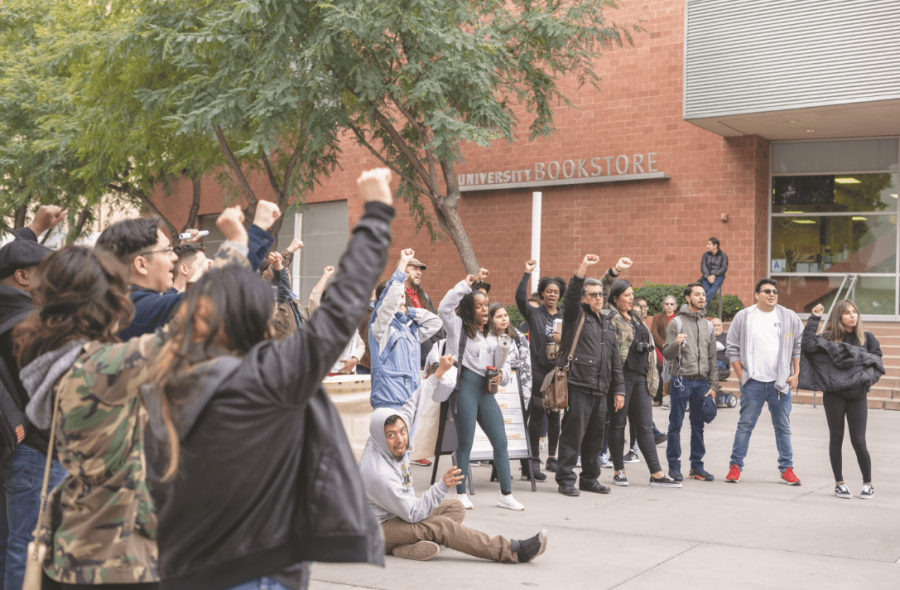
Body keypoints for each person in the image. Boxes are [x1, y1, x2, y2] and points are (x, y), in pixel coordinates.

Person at [142, 168, 398, 590]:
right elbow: (341, 308)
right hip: (254, 567)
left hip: (179, 563)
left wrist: (246, 238)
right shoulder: (270, 376)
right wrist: (375, 213)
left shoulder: (164, 368)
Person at [12, 204, 258, 590]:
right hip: (114, 558)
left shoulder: (55, 362)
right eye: (116, 292)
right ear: (99, 303)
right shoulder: (101, 367)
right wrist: (239, 243)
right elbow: (202, 320)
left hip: (73, 550)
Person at [359, 353, 548, 563]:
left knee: (455, 508)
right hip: (375, 532)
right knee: (443, 527)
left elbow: (416, 401)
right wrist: (441, 485)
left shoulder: (392, 430)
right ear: (379, 437)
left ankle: (403, 548)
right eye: (391, 436)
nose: (400, 439)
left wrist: (439, 372)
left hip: (398, 513)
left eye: (403, 431)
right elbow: (412, 513)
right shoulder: (378, 474)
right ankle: (511, 551)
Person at [0, 204, 67, 590]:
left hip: (19, 450)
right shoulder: (29, 324)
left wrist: (34, 229)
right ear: (23, 277)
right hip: (39, 453)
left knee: (16, 546)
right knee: (30, 553)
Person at [96, 206, 276, 340]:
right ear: (141, 264)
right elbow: (218, 295)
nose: (174, 257)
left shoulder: (111, 305)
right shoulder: (133, 310)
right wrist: (250, 234)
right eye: (166, 250)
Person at [439, 268, 522, 510]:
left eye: (486, 305)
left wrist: (501, 376)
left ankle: (506, 495)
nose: (485, 309)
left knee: (501, 442)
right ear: (468, 309)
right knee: (465, 443)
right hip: (466, 388)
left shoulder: (496, 335)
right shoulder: (457, 329)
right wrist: (465, 284)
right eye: (479, 306)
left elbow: (507, 367)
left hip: (486, 394)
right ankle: (461, 493)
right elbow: (444, 308)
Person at [600, 259, 679, 488]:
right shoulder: (610, 315)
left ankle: (656, 473)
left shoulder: (635, 318)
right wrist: (615, 270)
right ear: (615, 298)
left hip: (641, 379)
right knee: (617, 424)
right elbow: (604, 287)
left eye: (632, 294)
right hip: (621, 379)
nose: (631, 298)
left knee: (645, 426)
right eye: (626, 295)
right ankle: (618, 470)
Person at [555, 255, 625, 497]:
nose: (598, 298)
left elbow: (614, 359)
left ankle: (589, 479)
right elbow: (571, 295)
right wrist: (583, 269)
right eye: (593, 294)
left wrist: (619, 389)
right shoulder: (576, 314)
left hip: (601, 388)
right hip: (578, 385)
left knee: (596, 439)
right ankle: (565, 480)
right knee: (573, 436)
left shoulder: (607, 322)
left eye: (600, 294)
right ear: (584, 298)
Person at [724, 278, 803, 485]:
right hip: (754, 382)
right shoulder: (744, 316)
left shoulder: (788, 316)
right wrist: (742, 376)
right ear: (757, 295)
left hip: (780, 383)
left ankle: (787, 469)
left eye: (775, 291)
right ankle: (735, 467)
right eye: (767, 291)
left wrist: (796, 373)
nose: (772, 294)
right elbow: (731, 347)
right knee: (745, 426)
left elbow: (797, 346)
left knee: (783, 427)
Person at [801, 301, 882, 500]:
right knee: (836, 438)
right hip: (834, 394)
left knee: (859, 441)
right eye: (847, 313)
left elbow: (877, 360)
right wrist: (814, 318)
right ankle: (839, 483)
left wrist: (866, 380)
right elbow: (808, 345)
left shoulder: (867, 338)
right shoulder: (828, 338)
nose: (853, 316)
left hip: (857, 395)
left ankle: (867, 484)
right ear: (839, 317)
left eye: (855, 312)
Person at [369, 250, 443, 411]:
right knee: (386, 437)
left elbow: (435, 322)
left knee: (409, 437)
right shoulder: (380, 326)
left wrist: (409, 312)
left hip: (411, 399)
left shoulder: (410, 327)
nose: (401, 296)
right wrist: (403, 262)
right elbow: (390, 301)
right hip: (389, 399)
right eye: (414, 268)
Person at [662, 282, 718, 482]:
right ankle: (674, 467)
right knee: (675, 425)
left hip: (702, 382)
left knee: (698, 426)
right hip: (681, 380)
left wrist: (713, 386)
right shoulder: (676, 323)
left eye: (703, 294)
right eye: (697, 294)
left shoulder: (708, 325)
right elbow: (667, 355)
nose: (702, 297)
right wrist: (676, 344)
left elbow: (713, 358)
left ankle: (696, 467)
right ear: (688, 298)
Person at [515, 262, 564, 477]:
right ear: (542, 293)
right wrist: (526, 273)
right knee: (536, 415)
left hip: (558, 372)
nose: (552, 295)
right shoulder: (534, 314)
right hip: (537, 370)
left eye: (556, 292)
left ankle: (552, 458)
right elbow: (519, 298)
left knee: (555, 415)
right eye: (549, 291)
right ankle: (534, 458)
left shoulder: (565, 315)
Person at [488, 303, 537, 481]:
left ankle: (527, 468)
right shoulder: (487, 337)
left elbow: (526, 366)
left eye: (505, 315)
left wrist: (525, 394)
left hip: (517, 391)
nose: (504, 319)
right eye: (499, 316)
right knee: (498, 431)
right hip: (496, 390)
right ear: (491, 319)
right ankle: (500, 469)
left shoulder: (517, 336)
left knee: (519, 429)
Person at [403, 256, 445, 373]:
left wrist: (436, 350)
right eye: (414, 269)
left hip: (428, 361)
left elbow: (437, 327)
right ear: (403, 270)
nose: (419, 273)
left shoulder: (424, 297)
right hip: (406, 360)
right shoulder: (395, 295)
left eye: (420, 270)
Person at [650, 296, 678, 406]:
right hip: (660, 350)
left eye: (671, 304)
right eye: (667, 304)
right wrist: (664, 344)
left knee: (675, 374)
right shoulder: (657, 317)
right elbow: (654, 332)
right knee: (659, 373)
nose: (669, 306)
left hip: (676, 350)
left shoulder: (679, 318)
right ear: (663, 306)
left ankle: (674, 399)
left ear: (675, 306)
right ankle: (658, 399)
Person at [700, 237, 728, 310]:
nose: (707, 246)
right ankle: (703, 310)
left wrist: (714, 275)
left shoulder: (723, 256)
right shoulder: (705, 255)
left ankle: (702, 303)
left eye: (709, 244)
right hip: (706, 276)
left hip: (718, 276)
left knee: (713, 289)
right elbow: (703, 266)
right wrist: (708, 276)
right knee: (706, 290)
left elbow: (724, 268)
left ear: (715, 246)